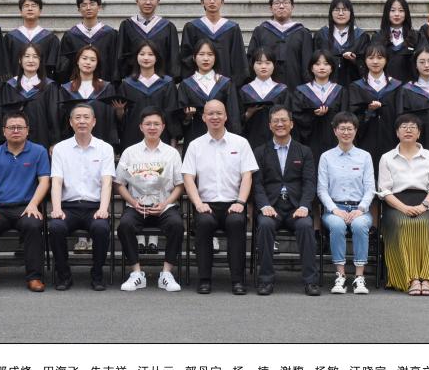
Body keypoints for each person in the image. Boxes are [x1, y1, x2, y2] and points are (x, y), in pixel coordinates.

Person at [182, 100, 259, 294]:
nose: (215, 117)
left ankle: (238, 281)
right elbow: (188, 177)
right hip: (206, 204)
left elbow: (247, 175)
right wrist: (198, 204)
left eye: (219, 113)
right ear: (203, 117)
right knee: (204, 223)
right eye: (210, 114)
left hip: (233, 203)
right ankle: (204, 279)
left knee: (236, 222)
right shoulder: (195, 145)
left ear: (226, 116)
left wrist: (241, 202)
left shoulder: (240, 143)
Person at [0, 111, 52, 292]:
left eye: (20, 127)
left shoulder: (39, 151)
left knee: (33, 225)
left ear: (27, 130)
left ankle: (34, 277)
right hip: (0, 208)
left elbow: (44, 181)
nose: (16, 130)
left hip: (26, 206)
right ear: (4, 131)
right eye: (11, 127)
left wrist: (33, 204)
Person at [115, 107, 186, 293]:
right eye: (148, 124)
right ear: (141, 127)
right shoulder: (130, 152)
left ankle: (166, 274)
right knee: (124, 226)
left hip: (165, 205)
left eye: (156, 124)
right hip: (137, 206)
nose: (152, 127)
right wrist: (133, 202)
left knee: (177, 225)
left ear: (163, 127)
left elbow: (180, 185)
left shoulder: (172, 153)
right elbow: (119, 183)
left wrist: (165, 203)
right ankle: (137, 273)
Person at [252, 106, 319, 296]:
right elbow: (257, 184)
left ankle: (311, 281)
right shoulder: (260, 152)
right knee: (265, 225)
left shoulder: (304, 151)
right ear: (270, 125)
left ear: (292, 124)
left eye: (283, 120)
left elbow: (309, 182)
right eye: (276, 121)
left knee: (306, 226)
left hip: (296, 207)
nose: (280, 124)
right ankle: (265, 280)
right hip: (271, 207)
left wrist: (304, 206)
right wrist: (264, 205)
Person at [48, 103, 115, 291]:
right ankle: (64, 275)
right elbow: (56, 182)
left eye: (86, 117)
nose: (82, 121)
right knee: (56, 227)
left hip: (94, 206)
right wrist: (56, 208)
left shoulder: (105, 148)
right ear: (71, 122)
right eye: (77, 117)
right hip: (68, 207)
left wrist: (103, 209)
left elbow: (107, 182)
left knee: (101, 228)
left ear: (94, 121)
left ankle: (97, 275)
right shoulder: (60, 149)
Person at [377, 114, 429, 295]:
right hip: (396, 204)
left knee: (425, 224)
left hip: (424, 202)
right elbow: (384, 190)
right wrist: (403, 208)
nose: (408, 130)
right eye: (404, 127)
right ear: (397, 133)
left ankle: (427, 278)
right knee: (403, 223)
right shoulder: (387, 158)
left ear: (419, 133)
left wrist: (424, 206)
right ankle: (410, 278)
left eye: (413, 127)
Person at [316, 112, 375, 295]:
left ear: (356, 131)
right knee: (337, 225)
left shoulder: (365, 156)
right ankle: (340, 275)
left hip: (359, 208)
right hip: (335, 208)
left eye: (350, 129)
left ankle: (359, 277)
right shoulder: (326, 157)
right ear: (335, 131)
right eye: (342, 129)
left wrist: (361, 209)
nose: (346, 132)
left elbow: (370, 188)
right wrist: (334, 209)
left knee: (359, 225)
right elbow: (322, 189)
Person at [347, 42, 402, 176]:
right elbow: (353, 115)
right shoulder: (356, 87)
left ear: (386, 60)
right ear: (365, 60)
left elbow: (400, 114)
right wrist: (368, 111)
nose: (375, 61)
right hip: (365, 137)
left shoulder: (396, 86)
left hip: (390, 137)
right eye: (371, 58)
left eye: (380, 57)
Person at [0, 43, 61, 148]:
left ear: (40, 61)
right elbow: (1, 116)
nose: (31, 60)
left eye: (35, 57)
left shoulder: (49, 87)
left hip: (42, 140)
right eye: (27, 56)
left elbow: (53, 117)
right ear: (20, 60)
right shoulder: (9, 86)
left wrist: (54, 143)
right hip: (13, 142)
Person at [116, 40, 179, 150]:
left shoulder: (167, 83)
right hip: (132, 138)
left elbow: (172, 115)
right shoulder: (127, 84)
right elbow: (122, 120)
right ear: (136, 57)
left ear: (156, 57)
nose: (146, 58)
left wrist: (173, 140)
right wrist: (120, 111)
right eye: (142, 54)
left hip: (161, 139)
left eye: (150, 54)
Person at [394, 47, 429, 171]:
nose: (426, 65)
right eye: (422, 62)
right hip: (416, 140)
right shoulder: (406, 90)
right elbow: (401, 118)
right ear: (415, 65)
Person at [181, 0, 248, 84]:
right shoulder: (192, 27)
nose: (212, 1)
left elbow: (238, 59)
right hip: (199, 83)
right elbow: (186, 58)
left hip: (226, 83)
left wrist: (233, 85)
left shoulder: (232, 28)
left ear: (222, 1)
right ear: (202, 2)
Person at [177, 37, 241, 144]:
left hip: (222, 138)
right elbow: (179, 118)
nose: (206, 58)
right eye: (201, 54)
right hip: (195, 136)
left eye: (210, 54)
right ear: (194, 57)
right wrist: (187, 115)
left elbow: (233, 114)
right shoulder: (186, 85)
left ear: (215, 58)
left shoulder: (225, 83)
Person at [247, 0, 312, 90]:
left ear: (292, 7)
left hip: (296, 88)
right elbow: (251, 61)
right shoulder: (260, 31)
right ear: (271, 8)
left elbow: (308, 64)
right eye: (277, 3)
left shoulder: (303, 33)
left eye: (285, 3)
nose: (281, 6)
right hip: (265, 91)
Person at [57, 44, 121, 147]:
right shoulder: (66, 89)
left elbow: (111, 121)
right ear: (77, 61)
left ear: (97, 63)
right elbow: (61, 119)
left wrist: (119, 112)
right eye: (84, 58)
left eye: (92, 60)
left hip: (101, 142)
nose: (88, 62)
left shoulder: (107, 88)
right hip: (72, 144)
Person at [117, 0, 180, 80]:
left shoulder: (168, 27)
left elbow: (173, 57)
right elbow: (121, 55)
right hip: (134, 82)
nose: (148, 2)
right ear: (136, 1)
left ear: (158, 1)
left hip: (161, 82)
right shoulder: (127, 26)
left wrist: (169, 81)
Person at [292, 49, 348, 157]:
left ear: (332, 68)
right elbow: (296, 117)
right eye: (317, 64)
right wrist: (312, 115)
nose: (322, 67)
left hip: (334, 142)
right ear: (311, 68)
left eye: (326, 64)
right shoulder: (301, 91)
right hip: (309, 142)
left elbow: (345, 117)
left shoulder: (340, 91)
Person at [58, 0, 121, 83]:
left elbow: (115, 64)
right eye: (84, 5)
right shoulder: (70, 36)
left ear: (99, 7)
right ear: (79, 9)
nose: (88, 8)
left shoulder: (111, 34)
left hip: (104, 86)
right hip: (77, 87)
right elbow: (64, 66)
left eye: (92, 4)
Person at [0, 0, 60, 80]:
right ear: (21, 11)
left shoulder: (50, 38)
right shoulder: (10, 38)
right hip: (15, 84)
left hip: (43, 85)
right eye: (26, 6)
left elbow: (53, 66)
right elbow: (5, 65)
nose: (30, 8)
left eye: (34, 6)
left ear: (40, 11)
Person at [312, 0, 369, 88]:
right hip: (326, 86)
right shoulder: (321, 35)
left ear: (351, 13)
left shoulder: (361, 36)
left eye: (345, 10)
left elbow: (366, 63)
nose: (341, 13)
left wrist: (354, 60)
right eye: (337, 10)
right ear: (331, 13)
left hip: (354, 86)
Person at [240, 47, 290, 150]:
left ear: (274, 65)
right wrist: (248, 114)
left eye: (268, 63)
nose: (263, 66)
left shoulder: (282, 90)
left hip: (277, 140)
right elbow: (236, 120)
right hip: (251, 139)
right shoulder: (244, 90)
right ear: (252, 65)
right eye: (259, 63)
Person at [376, 0, 417, 83]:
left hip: (409, 86)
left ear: (406, 13)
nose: (397, 14)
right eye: (392, 10)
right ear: (387, 12)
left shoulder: (415, 37)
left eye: (401, 10)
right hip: (385, 85)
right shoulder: (377, 37)